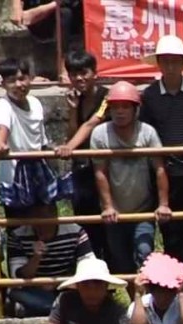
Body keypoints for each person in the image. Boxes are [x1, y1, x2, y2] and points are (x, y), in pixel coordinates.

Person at [138, 36, 183, 291]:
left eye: (174, 62)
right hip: (164, 174)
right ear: (158, 64)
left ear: (182, 63)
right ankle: (173, 289)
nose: (170, 67)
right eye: (165, 62)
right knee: (171, 235)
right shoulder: (148, 96)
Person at [91, 81, 170, 278]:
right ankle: (135, 301)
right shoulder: (100, 134)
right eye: (115, 107)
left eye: (125, 106)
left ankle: (147, 300)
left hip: (142, 208)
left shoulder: (147, 132)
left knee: (145, 253)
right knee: (121, 260)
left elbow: (160, 169)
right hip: (115, 211)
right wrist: (108, 206)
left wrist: (163, 204)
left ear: (136, 109)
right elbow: (100, 172)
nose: (120, 112)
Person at [0, 57, 70, 211]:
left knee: (47, 221)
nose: (18, 85)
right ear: (3, 84)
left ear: (30, 79)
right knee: (19, 227)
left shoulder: (35, 102)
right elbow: (2, 129)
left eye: (22, 79)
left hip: (40, 172)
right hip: (15, 178)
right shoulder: (1, 106)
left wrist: (57, 149)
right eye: (12, 81)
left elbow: (42, 141)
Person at [4, 201, 94, 316]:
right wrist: (36, 258)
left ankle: (51, 308)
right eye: (35, 218)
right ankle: (59, 308)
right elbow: (18, 276)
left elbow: (89, 267)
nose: (40, 224)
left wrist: (58, 283)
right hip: (34, 289)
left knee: (86, 293)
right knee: (17, 293)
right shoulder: (18, 235)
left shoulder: (75, 231)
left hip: (65, 287)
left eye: (44, 217)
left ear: (55, 214)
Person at [63, 49, 107, 257]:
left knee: (107, 226)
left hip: (105, 170)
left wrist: (68, 147)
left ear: (94, 73)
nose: (79, 78)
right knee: (84, 224)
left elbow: (91, 123)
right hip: (82, 170)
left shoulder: (106, 96)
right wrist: (72, 110)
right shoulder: (76, 99)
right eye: (74, 74)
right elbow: (74, 130)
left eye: (84, 72)